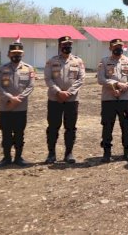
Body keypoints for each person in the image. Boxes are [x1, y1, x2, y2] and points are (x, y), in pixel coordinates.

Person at [43, 36, 85, 164]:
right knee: (53, 127)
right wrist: (58, 92)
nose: (67, 47)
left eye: (69, 45)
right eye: (64, 45)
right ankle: (51, 154)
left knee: (71, 127)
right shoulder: (51, 61)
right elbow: (48, 78)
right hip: (55, 99)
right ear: (59, 46)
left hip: (72, 100)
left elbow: (81, 79)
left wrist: (69, 92)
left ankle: (69, 153)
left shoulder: (78, 61)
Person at [97, 38, 128, 163]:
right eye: (115, 46)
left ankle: (127, 152)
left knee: (126, 126)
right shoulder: (104, 61)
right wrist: (116, 84)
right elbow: (101, 79)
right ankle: (106, 153)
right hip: (108, 98)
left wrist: (124, 87)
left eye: (120, 46)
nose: (118, 48)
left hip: (125, 98)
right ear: (110, 48)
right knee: (107, 126)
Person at [0, 42, 35, 166]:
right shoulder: (1, 69)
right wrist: (10, 98)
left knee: (19, 134)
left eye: (19, 54)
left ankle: (18, 158)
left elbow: (30, 86)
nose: (16, 55)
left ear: (22, 55)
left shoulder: (28, 69)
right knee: (6, 133)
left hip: (21, 107)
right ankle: (6, 158)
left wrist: (19, 99)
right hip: (5, 106)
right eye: (14, 53)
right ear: (8, 54)